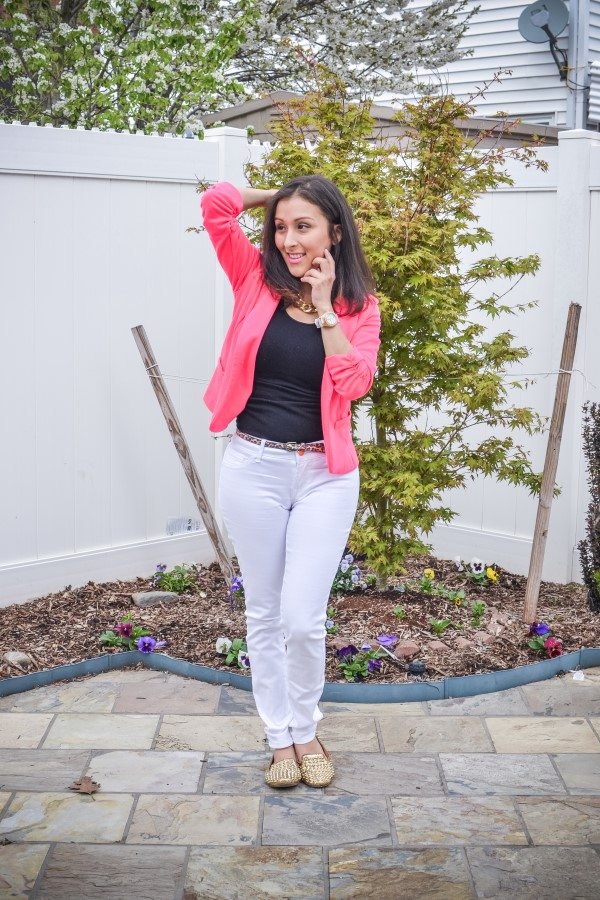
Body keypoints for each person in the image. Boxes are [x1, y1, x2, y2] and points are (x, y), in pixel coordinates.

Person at [200, 174, 381, 788]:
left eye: (304, 226)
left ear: (335, 230)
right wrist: (275, 198)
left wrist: (326, 305)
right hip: (254, 466)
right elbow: (215, 206)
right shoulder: (255, 278)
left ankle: (308, 726)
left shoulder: (360, 308)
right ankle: (280, 736)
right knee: (265, 611)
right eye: (281, 227)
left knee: (303, 618)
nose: (289, 239)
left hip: (325, 476)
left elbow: (354, 385)